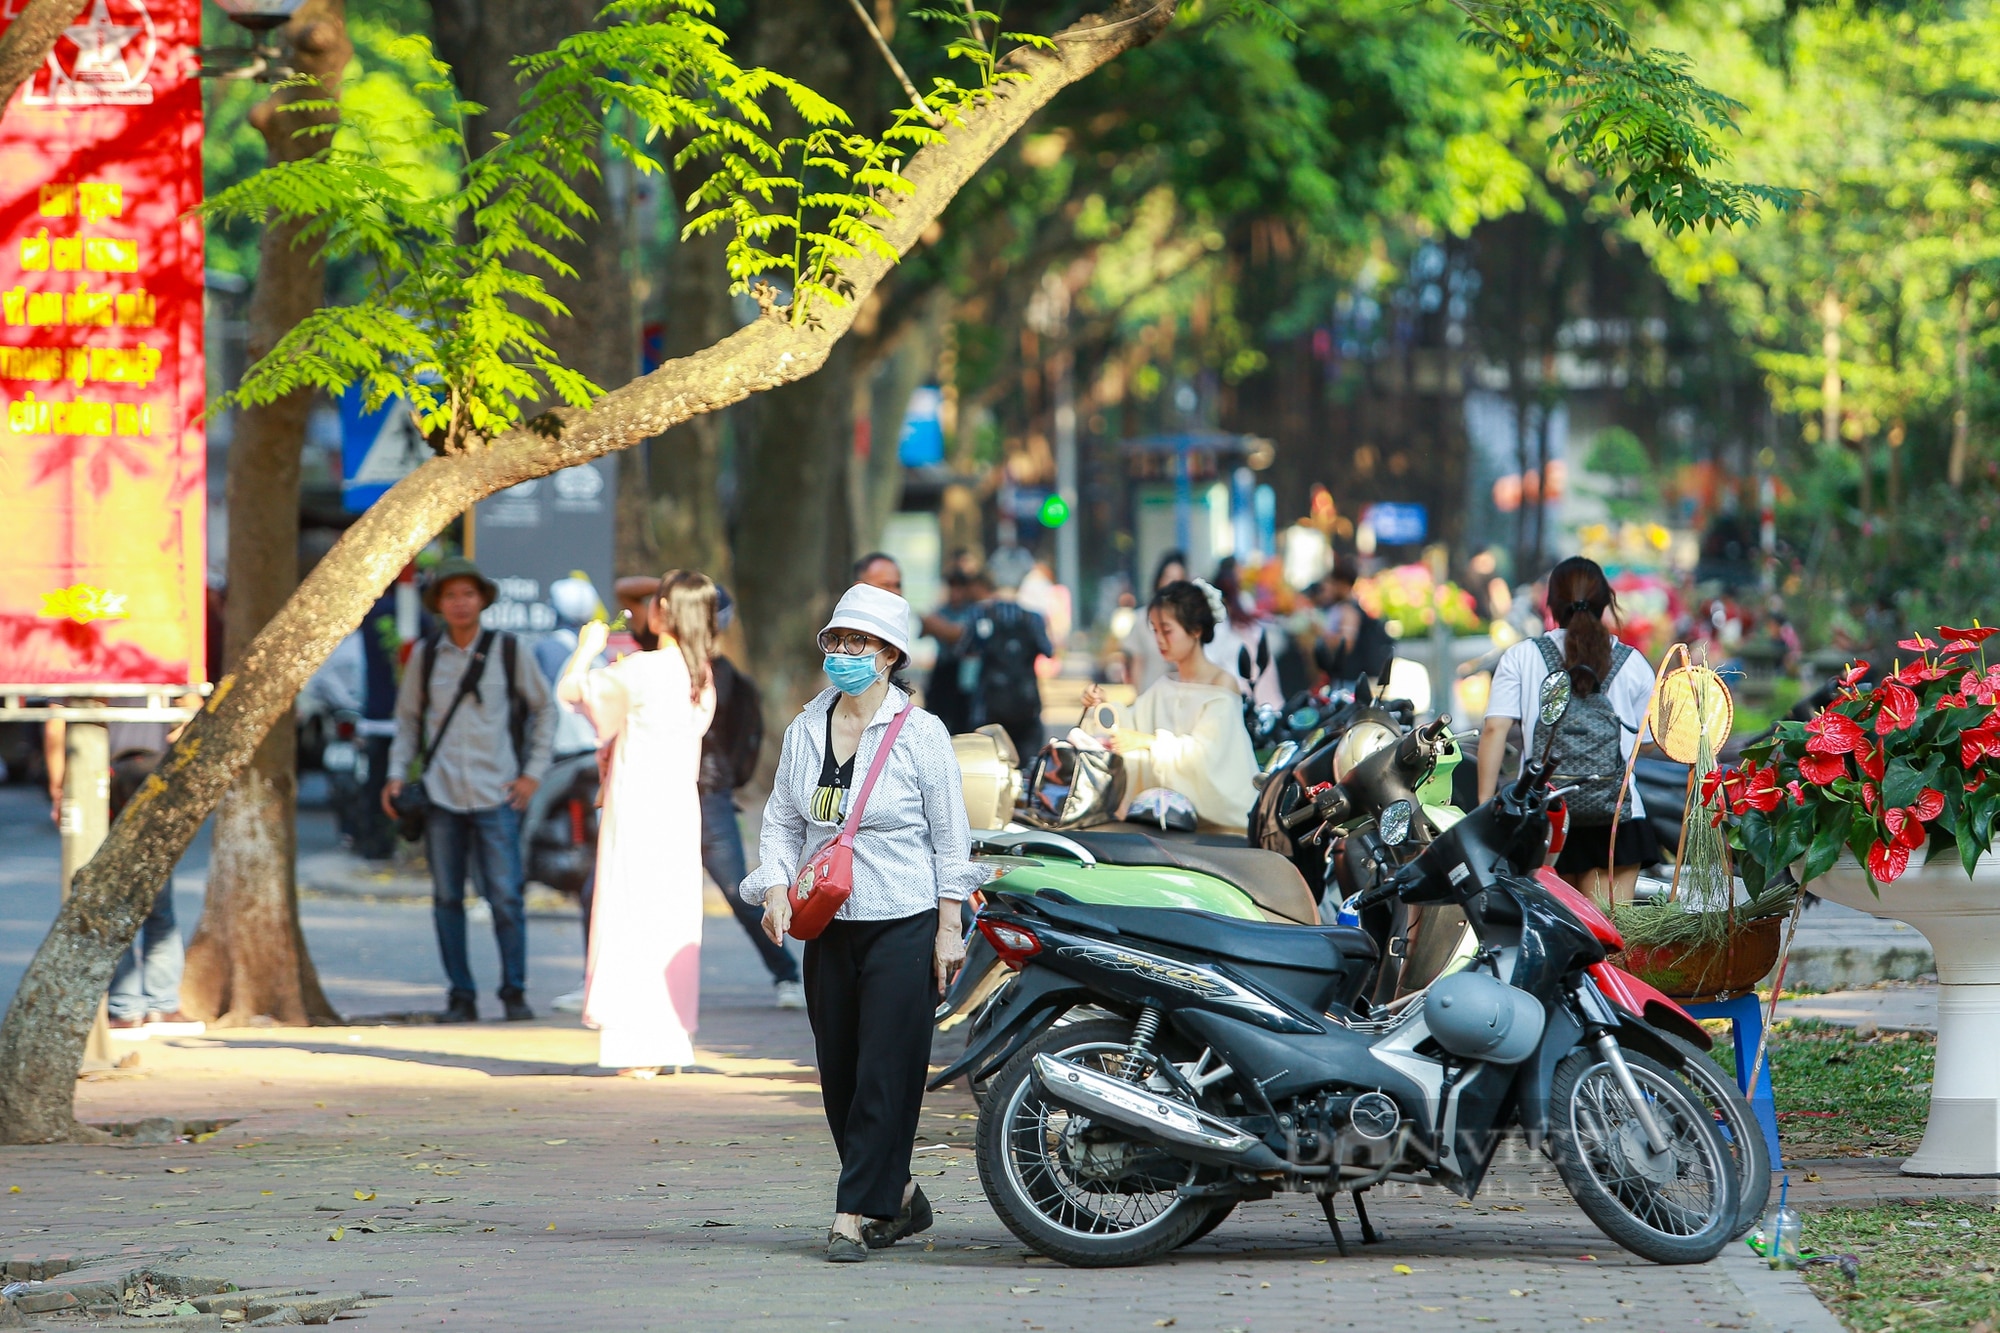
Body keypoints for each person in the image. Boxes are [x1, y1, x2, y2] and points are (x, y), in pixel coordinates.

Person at [740, 582, 981, 1262]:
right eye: (837, 642)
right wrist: (776, 888)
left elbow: (950, 837)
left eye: (859, 643)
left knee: (885, 1068)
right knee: (840, 1071)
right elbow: (783, 821)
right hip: (828, 920)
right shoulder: (806, 727)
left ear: (889, 654)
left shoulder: (921, 733)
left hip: (904, 917)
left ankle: (850, 1214)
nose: (844, 654)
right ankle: (898, 1193)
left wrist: (947, 924)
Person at [557, 570, 718, 1074]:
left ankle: (635, 1048)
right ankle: (668, 1039)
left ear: (664, 610)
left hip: (638, 807)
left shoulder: (643, 669)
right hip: (677, 809)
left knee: (631, 916)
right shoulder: (700, 677)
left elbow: (570, 690)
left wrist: (589, 646)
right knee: (669, 921)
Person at [383, 556, 557, 1023]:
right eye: (450, 595)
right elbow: (407, 722)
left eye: (468, 594)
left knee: (505, 897)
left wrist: (532, 773)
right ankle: (460, 995)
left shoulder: (507, 650)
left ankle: (514, 993)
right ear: (438, 603)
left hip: (496, 792)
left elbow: (546, 710)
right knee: (445, 899)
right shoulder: (425, 654)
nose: (460, 603)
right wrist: (396, 774)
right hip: (440, 795)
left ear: (482, 600)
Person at [1477, 556, 1660, 906]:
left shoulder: (1521, 657)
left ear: (1551, 604)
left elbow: (1494, 730)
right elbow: (1645, 744)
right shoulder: (1633, 663)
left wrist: (1487, 810)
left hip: (1543, 816)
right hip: (1617, 818)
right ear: (1606, 602)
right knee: (1610, 938)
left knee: (1556, 936)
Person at [1082, 580, 1259, 833]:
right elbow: (1129, 722)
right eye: (1154, 631)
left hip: (1220, 829)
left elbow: (1207, 754)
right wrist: (1101, 706)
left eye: (1167, 631)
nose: (1160, 640)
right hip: (1168, 823)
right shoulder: (1165, 685)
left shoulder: (1221, 684)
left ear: (1196, 629)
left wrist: (1148, 742)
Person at [701, 587, 805, 1009]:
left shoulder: (733, 680)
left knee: (738, 890)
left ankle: (786, 974)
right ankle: (601, 980)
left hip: (710, 797)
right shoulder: (657, 663)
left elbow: (747, 741)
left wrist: (725, 779)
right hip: (662, 794)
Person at [961, 566, 1054, 761]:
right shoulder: (1033, 618)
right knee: (1028, 764)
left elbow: (966, 649)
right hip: (1026, 701)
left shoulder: (980, 614)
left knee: (989, 761)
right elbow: (1048, 650)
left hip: (989, 702)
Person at [1313, 558, 1395, 686]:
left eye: (1333, 583)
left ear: (1342, 584)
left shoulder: (1348, 610)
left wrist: (1322, 634)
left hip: (1348, 679)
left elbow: (1346, 644)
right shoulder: (1345, 606)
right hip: (1349, 678)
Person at [1121, 551, 1188, 692]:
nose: (1171, 584)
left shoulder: (1189, 621)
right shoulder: (1142, 618)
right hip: (1149, 696)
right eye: (1168, 577)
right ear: (1159, 579)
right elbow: (1137, 662)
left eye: (1177, 579)